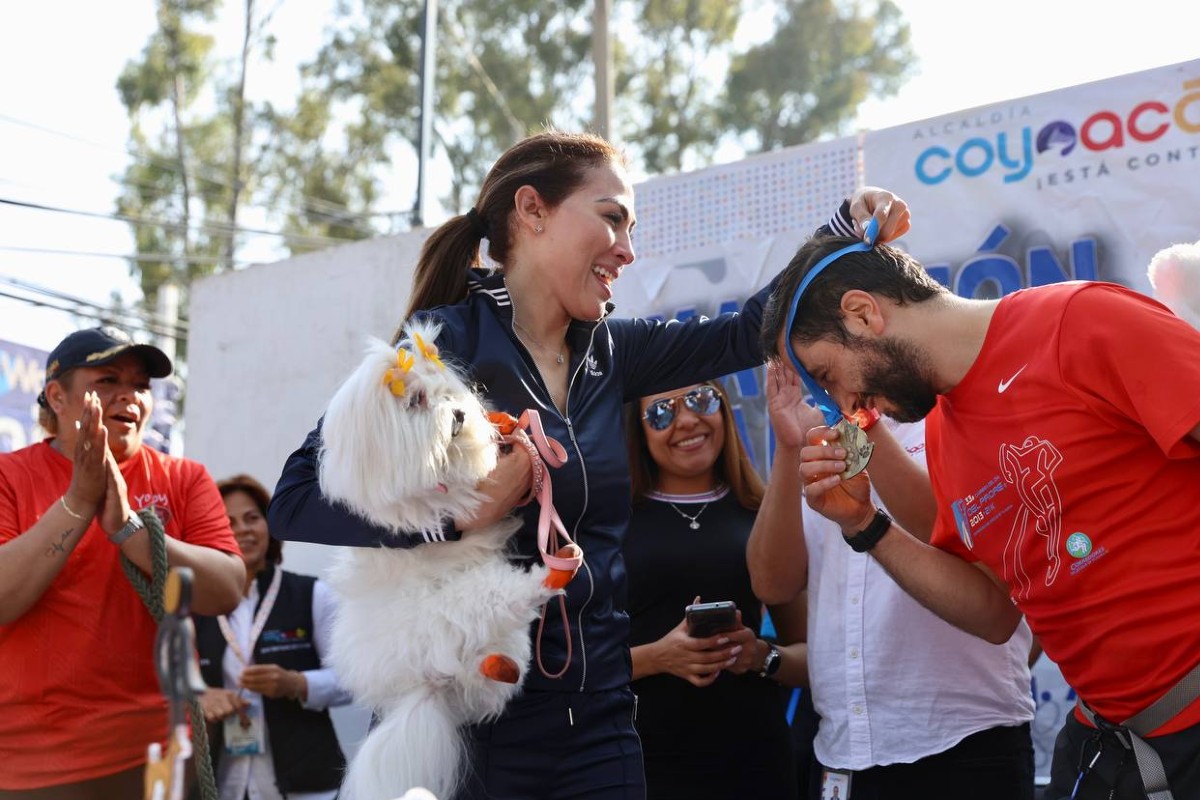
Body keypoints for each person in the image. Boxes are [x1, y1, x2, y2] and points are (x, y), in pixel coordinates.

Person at [269, 129, 911, 799]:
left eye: (631, 228)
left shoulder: (615, 352)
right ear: (533, 210)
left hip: (600, 724)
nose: (628, 250)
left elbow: (753, 324)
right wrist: (464, 516)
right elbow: (295, 499)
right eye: (611, 219)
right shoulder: (441, 343)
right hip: (467, 725)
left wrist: (842, 229)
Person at [758, 233, 1200, 799]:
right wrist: (863, 523)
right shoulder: (944, 433)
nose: (844, 406)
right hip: (1114, 745)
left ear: (864, 314)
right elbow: (994, 615)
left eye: (826, 374)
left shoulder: (1079, 319)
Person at [748, 364, 1036, 800]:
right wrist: (788, 448)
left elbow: (997, 582)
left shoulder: (956, 410)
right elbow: (774, 585)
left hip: (964, 738)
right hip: (844, 750)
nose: (809, 370)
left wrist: (863, 422)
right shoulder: (819, 436)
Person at [0, 326, 245, 798]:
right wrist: (78, 500)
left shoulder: (184, 476)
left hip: (163, 753)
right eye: (108, 381)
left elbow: (228, 588)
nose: (129, 397)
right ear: (57, 396)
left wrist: (131, 530)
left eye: (140, 385)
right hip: (34, 764)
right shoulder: (9, 476)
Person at [623, 380, 807, 799]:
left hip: (755, 763)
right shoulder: (611, 526)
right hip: (646, 766)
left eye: (700, 400)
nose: (686, 420)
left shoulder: (762, 513)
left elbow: (813, 657)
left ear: (722, 407)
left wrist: (759, 655)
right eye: (661, 413)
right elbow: (577, 667)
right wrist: (658, 657)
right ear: (638, 430)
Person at [193, 474, 353, 800]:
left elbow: (352, 681)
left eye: (253, 518)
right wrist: (200, 697)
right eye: (228, 521)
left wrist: (297, 684)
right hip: (221, 784)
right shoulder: (197, 605)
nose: (243, 530)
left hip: (306, 783)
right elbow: (169, 684)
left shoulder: (312, 594)